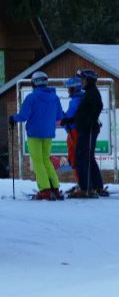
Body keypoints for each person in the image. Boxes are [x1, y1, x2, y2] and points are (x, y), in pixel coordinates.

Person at [9, 71, 64, 200]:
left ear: (34, 82)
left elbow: (23, 116)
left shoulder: (31, 98)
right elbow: (59, 116)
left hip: (34, 133)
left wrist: (13, 118)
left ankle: (45, 189)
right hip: (49, 133)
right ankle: (55, 187)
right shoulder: (54, 97)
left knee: (38, 161)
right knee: (46, 160)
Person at [66, 69, 105, 198]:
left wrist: (89, 121)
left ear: (88, 81)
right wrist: (70, 120)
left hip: (87, 130)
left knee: (81, 158)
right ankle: (96, 185)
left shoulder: (92, 93)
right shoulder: (89, 93)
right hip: (86, 128)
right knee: (88, 158)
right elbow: (83, 114)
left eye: (82, 80)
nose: (81, 82)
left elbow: (97, 108)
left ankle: (85, 188)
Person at [62, 76, 83, 173]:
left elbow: (70, 116)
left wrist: (62, 117)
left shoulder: (76, 101)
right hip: (76, 131)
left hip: (74, 131)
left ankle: (81, 183)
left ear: (74, 89)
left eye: (69, 88)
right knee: (77, 156)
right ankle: (83, 182)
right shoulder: (80, 98)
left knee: (74, 157)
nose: (68, 91)